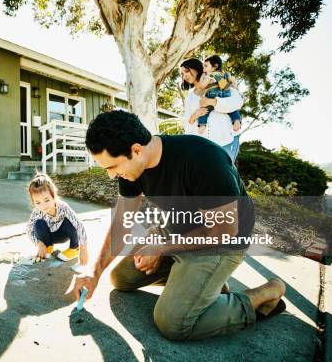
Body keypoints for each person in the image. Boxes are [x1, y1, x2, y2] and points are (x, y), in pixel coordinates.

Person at [71, 110, 286, 341]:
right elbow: (123, 221)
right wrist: (94, 273)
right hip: (178, 229)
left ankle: (264, 293)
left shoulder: (204, 159)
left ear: (136, 150)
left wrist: (161, 249)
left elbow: (224, 231)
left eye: (112, 167)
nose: (112, 176)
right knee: (121, 278)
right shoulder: (132, 170)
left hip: (225, 240)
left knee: (173, 323)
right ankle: (202, 287)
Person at [181, 58, 243, 162]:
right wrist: (194, 116)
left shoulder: (217, 80)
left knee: (224, 176)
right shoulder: (190, 98)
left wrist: (213, 102)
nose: (185, 76)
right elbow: (187, 127)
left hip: (227, 142)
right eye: (182, 74)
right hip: (203, 147)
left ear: (197, 68)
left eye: (187, 71)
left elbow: (238, 102)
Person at [26, 173, 89, 264]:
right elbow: (29, 229)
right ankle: (48, 246)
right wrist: (39, 243)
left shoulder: (63, 207)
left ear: (54, 196)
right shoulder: (37, 211)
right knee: (38, 223)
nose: (43, 206)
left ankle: (74, 249)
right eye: (38, 202)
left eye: (47, 200)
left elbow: (79, 226)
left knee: (71, 222)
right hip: (49, 236)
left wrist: (84, 249)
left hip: (63, 235)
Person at [198, 55, 242, 135]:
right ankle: (236, 121)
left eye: (206, 66)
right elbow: (233, 82)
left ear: (215, 66)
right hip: (225, 94)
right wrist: (234, 87)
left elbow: (202, 86)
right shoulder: (226, 73)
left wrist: (204, 77)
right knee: (232, 109)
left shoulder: (209, 75)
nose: (203, 68)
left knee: (204, 110)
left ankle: (202, 125)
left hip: (212, 94)